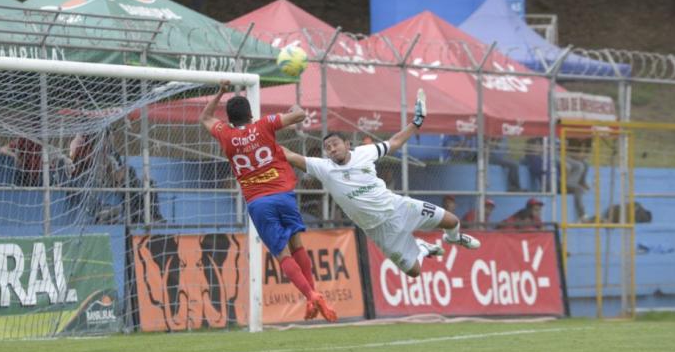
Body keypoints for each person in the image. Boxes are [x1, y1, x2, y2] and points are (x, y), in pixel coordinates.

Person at [282, 90, 480, 279]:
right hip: (379, 230)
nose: (332, 149)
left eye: (335, 144)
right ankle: (422, 248)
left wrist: (416, 122)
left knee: (452, 221)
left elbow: (394, 142)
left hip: (399, 207)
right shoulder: (323, 168)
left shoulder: (364, 152)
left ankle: (452, 238)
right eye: (328, 148)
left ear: (347, 144)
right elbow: (290, 155)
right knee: (414, 271)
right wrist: (261, 135)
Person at [201, 81, 337, 323]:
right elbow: (299, 115)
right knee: (297, 244)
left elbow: (205, 117)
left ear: (230, 119)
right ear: (251, 114)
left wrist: (221, 90)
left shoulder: (226, 134)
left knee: (282, 253)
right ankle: (312, 295)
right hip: (283, 195)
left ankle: (310, 295)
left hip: (259, 202)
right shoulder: (264, 124)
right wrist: (295, 106)